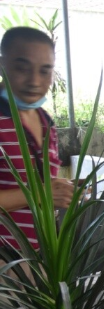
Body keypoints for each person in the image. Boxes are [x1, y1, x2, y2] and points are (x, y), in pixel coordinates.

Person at [0, 27, 74, 250]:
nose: (34, 81)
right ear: (3, 65)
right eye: (22, 68)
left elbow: (47, 189)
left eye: (45, 71)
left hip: (41, 258)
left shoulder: (45, 121)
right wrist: (41, 193)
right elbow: (43, 192)